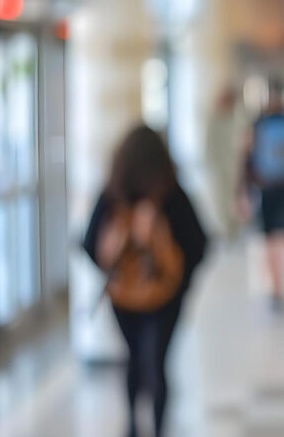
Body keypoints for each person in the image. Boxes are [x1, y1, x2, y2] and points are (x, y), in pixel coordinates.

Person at [83, 125, 207, 437]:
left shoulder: (113, 194)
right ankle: (157, 428)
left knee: (135, 359)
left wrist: (113, 265)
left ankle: (133, 427)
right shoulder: (171, 193)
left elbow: (87, 243)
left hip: (123, 297)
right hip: (165, 298)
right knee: (156, 363)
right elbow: (199, 245)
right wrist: (181, 285)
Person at [241, 78, 284, 312]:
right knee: (281, 237)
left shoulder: (258, 123)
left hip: (269, 188)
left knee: (272, 239)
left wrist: (245, 189)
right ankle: (278, 283)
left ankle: (276, 284)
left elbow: (246, 159)